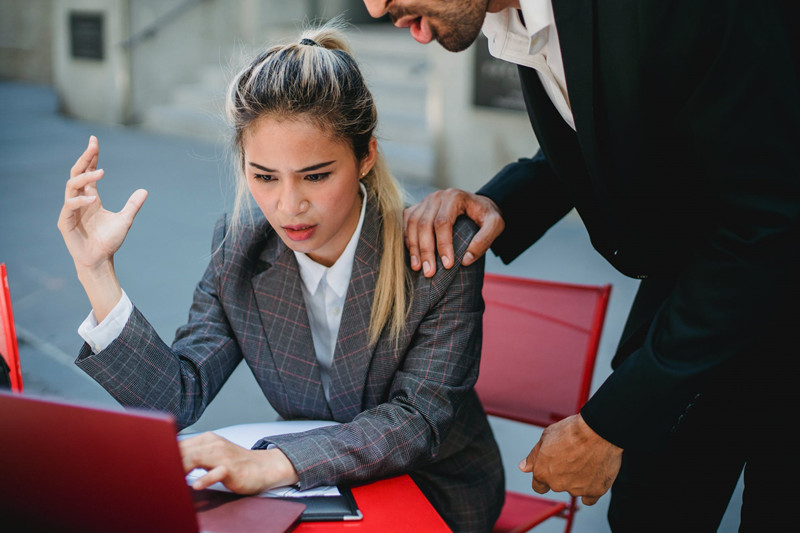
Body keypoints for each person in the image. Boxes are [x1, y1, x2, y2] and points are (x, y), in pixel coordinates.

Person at [363, 0, 800, 531]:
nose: (374, 4)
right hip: (704, 286)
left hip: (756, 273)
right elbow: (615, 119)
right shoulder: (525, 21)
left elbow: (768, 216)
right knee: (648, 512)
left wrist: (608, 425)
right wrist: (502, 203)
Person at [57, 23, 504, 532]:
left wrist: (274, 463)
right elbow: (174, 397)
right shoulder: (240, 245)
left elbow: (418, 420)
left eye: (316, 175)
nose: (288, 206)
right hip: (307, 487)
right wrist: (96, 271)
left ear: (366, 157)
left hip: (430, 488)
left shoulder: (436, 249)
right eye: (264, 176)